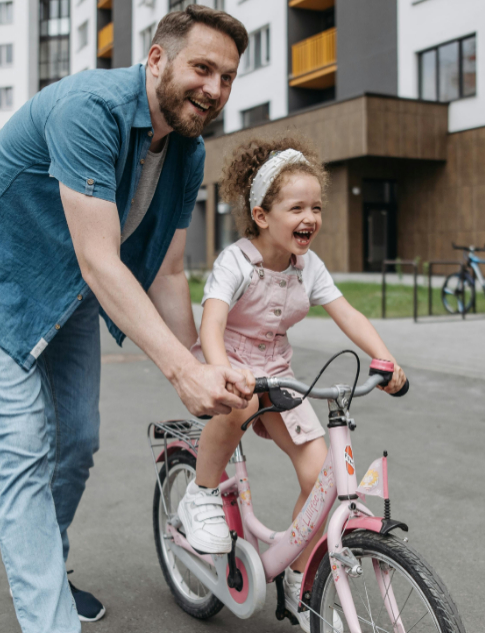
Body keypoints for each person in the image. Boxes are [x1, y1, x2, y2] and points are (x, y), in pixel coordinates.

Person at [0, 6, 250, 632]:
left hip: (69, 285)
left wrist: (210, 369)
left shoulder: (188, 152)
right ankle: (49, 617)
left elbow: (166, 270)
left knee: (76, 442)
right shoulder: (90, 109)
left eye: (229, 77)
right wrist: (180, 370)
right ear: (157, 59)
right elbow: (103, 260)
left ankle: (46, 569)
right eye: (203, 68)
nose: (214, 89)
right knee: (24, 448)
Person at [176, 136, 407, 631]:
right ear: (261, 215)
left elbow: (347, 312)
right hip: (229, 362)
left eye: (316, 207)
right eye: (296, 206)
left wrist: (383, 357)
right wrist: (222, 370)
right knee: (235, 406)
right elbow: (211, 325)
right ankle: (201, 492)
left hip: (278, 373)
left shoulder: (309, 266)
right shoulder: (235, 262)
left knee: (320, 476)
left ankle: (297, 576)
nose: (311, 217)